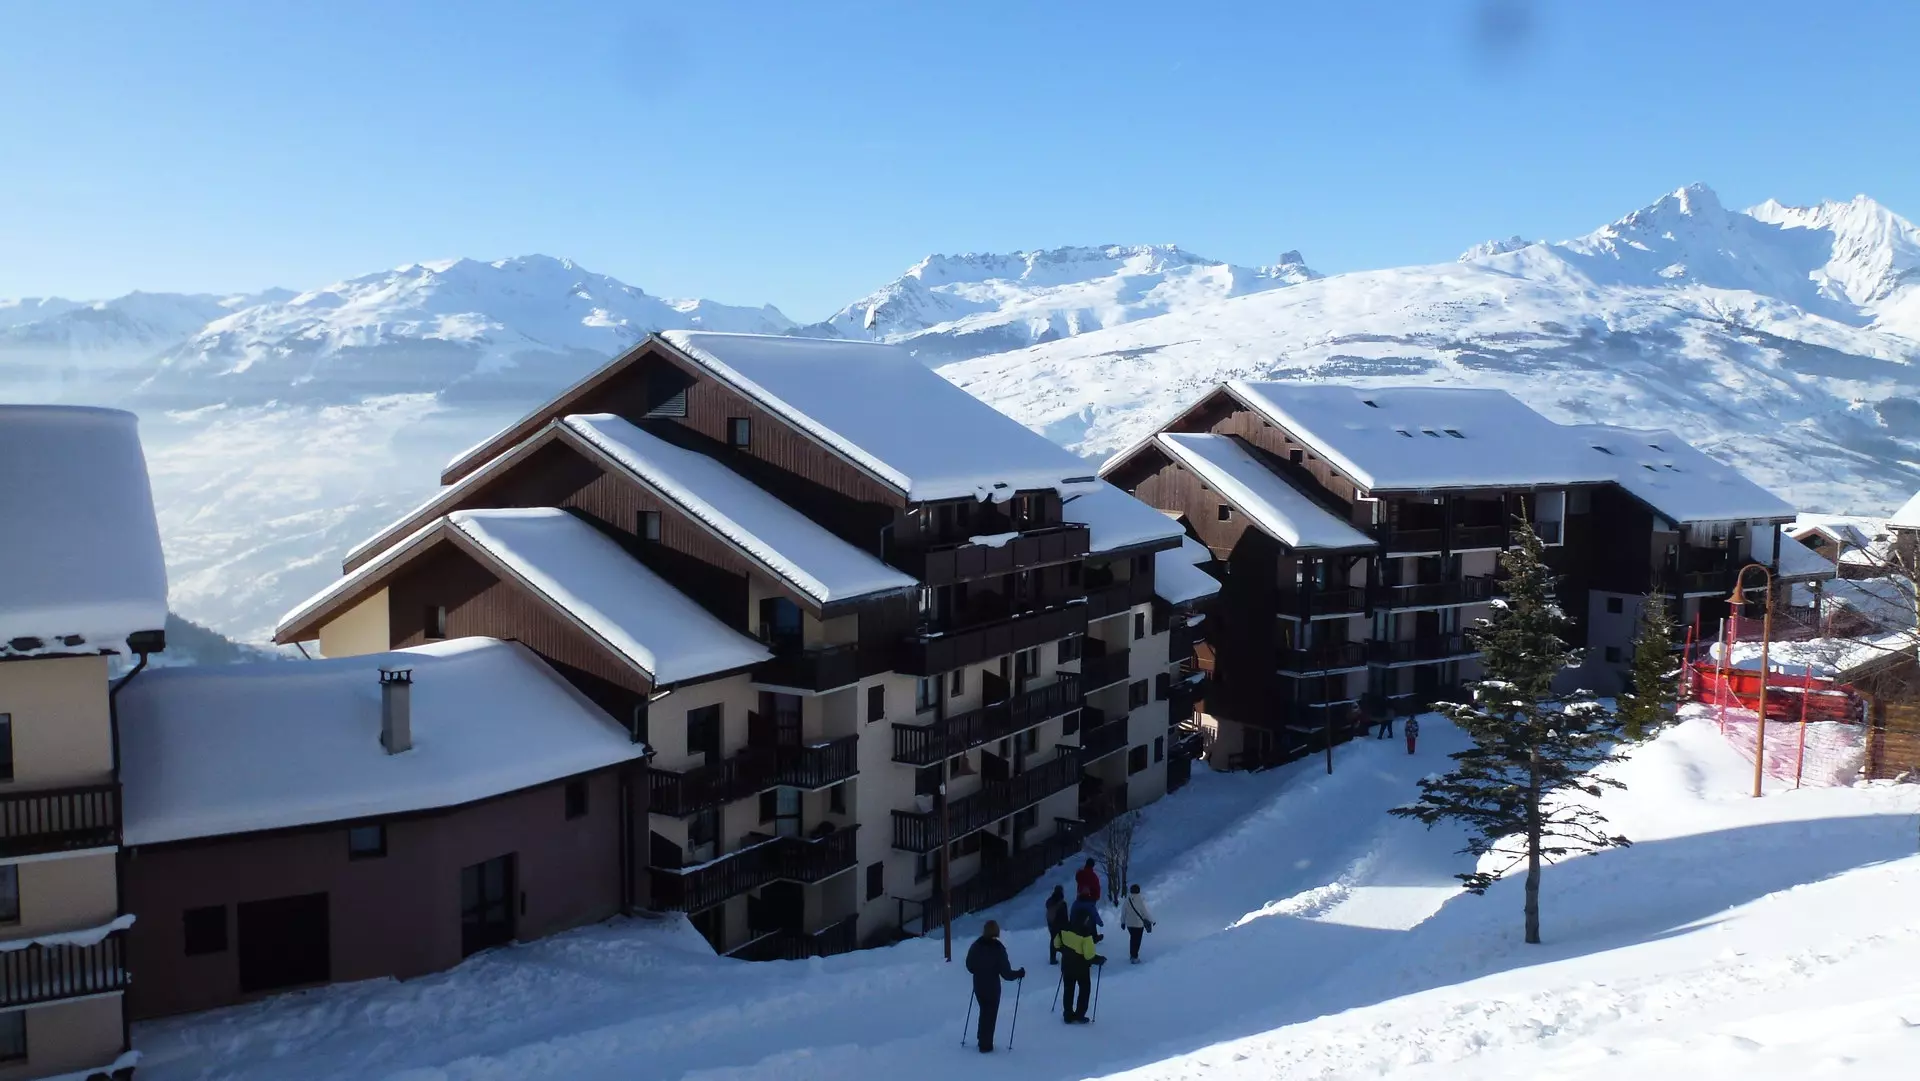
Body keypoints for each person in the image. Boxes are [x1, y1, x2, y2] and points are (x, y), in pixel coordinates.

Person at [964, 920, 1026, 1053]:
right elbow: (1006, 973)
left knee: (984, 1010)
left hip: (979, 985)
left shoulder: (976, 945)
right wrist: (1019, 974)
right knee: (990, 1014)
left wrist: (979, 970)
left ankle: (981, 1037)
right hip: (992, 987)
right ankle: (985, 1044)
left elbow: (969, 965)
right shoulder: (998, 949)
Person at [1053, 905, 1105, 1023]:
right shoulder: (1085, 934)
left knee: (1068, 989)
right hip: (1081, 968)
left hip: (1066, 965)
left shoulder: (1064, 928)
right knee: (1084, 989)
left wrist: (1066, 951)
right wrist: (1099, 959)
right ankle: (1080, 1014)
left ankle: (1068, 1014)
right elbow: (1089, 955)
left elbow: (1056, 944)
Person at [1119, 882, 1155, 963]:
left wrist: (1122, 922)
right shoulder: (1140, 900)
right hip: (1138, 924)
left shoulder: (1127, 900)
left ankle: (1132, 955)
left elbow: (1123, 912)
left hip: (1129, 924)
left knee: (1132, 939)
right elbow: (1145, 912)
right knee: (1137, 940)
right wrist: (1152, 921)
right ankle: (1134, 957)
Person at [1044, 885, 1068, 965]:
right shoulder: (1062, 903)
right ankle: (1066, 958)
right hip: (1060, 925)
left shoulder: (1050, 902)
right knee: (1064, 941)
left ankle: (1052, 958)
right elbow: (1064, 917)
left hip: (1051, 924)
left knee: (1053, 940)